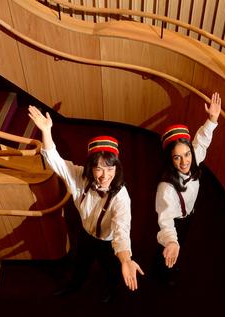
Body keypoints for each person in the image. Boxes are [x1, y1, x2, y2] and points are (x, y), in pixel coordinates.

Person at [27, 105, 143, 302]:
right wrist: (46, 131)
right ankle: (75, 285)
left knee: (111, 270)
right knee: (80, 262)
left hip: (109, 242)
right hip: (86, 234)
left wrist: (125, 259)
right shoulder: (80, 176)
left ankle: (110, 290)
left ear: (117, 167)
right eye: (98, 169)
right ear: (90, 167)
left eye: (110, 168)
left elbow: (122, 231)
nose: (105, 176)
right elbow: (55, 160)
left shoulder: (121, 197)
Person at [155, 92, 222, 277]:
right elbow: (166, 220)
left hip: (189, 214)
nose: (184, 162)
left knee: (182, 239)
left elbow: (201, 143)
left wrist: (212, 119)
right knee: (169, 249)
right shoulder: (166, 189)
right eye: (177, 157)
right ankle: (164, 271)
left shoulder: (193, 161)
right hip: (174, 221)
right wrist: (171, 241)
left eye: (187, 154)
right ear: (170, 160)